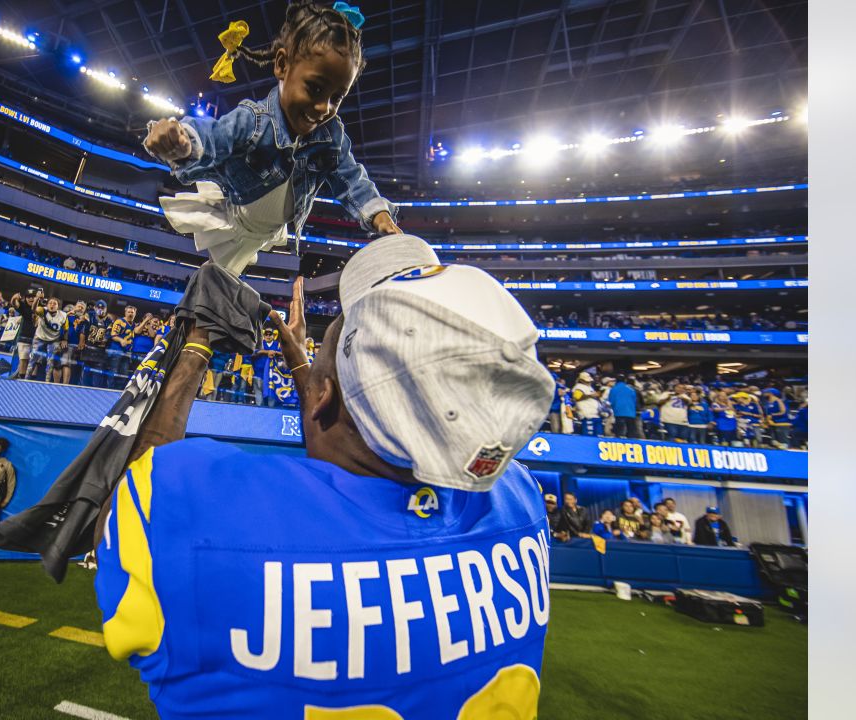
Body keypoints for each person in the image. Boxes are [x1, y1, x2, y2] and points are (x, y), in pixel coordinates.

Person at [93, 234, 553, 718]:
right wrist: (309, 370)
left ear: (322, 396)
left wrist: (195, 347)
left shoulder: (195, 508)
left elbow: (127, 502)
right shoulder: (518, 501)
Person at [143, 1, 399, 283]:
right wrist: (182, 143)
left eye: (336, 97)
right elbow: (213, 136)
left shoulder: (331, 135)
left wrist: (379, 214)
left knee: (228, 277)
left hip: (271, 228)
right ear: (282, 65)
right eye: (314, 89)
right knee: (215, 279)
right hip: (238, 218)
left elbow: (351, 179)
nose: (323, 107)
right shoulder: (253, 121)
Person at [106, 305, 137, 389]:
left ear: (135, 314)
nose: (130, 314)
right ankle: (110, 389)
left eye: (132, 312)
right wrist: (121, 340)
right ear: (125, 312)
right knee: (113, 371)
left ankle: (118, 390)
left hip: (126, 352)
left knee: (124, 373)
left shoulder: (133, 324)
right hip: (117, 351)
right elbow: (113, 335)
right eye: (129, 312)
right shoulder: (119, 321)